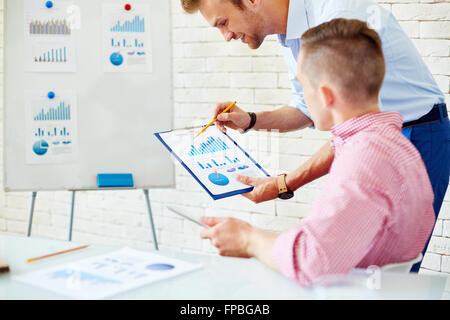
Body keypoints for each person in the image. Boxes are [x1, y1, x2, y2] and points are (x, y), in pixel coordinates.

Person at [180, 0, 449, 272]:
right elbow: (308, 108)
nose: (226, 36)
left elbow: (313, 259)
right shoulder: (293, 35)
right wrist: (250, 120)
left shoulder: (339, 19)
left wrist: (253, 232)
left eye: (223, 23)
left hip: (417, 130)